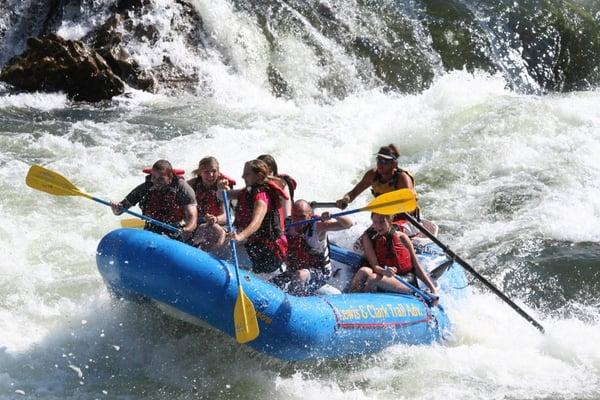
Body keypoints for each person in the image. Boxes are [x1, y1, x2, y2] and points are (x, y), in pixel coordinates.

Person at [219, 159, 288, 274]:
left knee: (221, 253)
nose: (242, 176)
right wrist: (221, 188)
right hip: (254, 245)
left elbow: (256, 223)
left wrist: (240, 236)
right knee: (220, 246)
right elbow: (222, 196)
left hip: (268, 254)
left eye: (246, 174)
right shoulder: (248, 191)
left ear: (258, 176)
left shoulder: (261, 196)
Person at [349, 213, 438, 296]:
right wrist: (384, 272)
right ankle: (349, 300)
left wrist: (432, 289)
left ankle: (366, 305)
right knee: (363, 271)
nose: (378, 226)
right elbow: (375, 266)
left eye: (382, 222)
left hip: (405, 280)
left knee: (372, 279)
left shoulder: (402, 237)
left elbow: (417, 267)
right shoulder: (368, 237)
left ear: (390, 221)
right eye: (375, 222)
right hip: (383, 274)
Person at [275, 200, 353, 295]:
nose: (298, 221)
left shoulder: (318, 226)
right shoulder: (287, 224)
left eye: (302, 217)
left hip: (320, 271)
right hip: (295, 269)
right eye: (295, 216)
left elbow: (348, 224)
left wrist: (333, 215)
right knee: (273, 284)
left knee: (300, 275)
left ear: (310, 215)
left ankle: (296, 301)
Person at [110, 159, 198, 241]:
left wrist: (188, 229)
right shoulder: (147, 186)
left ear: (170, 177)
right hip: (153, 226)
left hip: (176, 228)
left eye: (161, 179)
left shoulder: (183, 188)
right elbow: (120, 210)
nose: (156, 182)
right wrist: (116, 208)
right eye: (154, 177)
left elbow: (192, 216)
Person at [187, 156, 236, 251]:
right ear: (200, 173)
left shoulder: (223, 188)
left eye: (214, 171)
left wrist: (215, 219)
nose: (210, 175)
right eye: (206, 172)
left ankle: (211, 256)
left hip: (219, 224)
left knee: (215, 229)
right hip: (197, 221)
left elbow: (226, 216)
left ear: (218, 172)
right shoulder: (191, 185)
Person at [257, 154, 297, 219]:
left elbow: (287, 211)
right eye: (263, 172)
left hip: (279, 223)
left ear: (274, 172)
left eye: (269, 172)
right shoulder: (253, 186)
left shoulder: (282, 185)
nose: (266, 175)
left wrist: (287, 221)